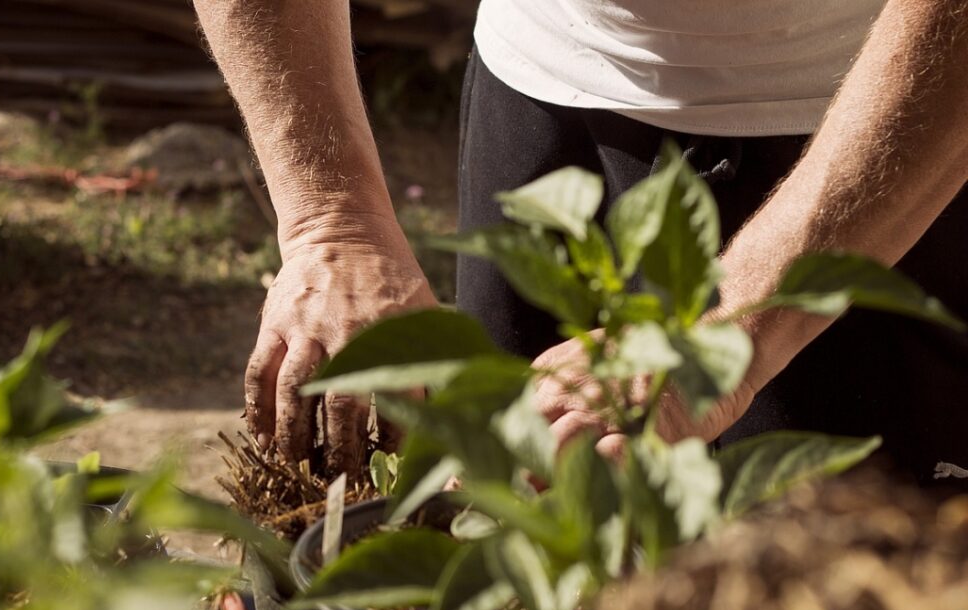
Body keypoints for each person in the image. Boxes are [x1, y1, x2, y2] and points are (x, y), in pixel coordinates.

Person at [194, 0, 968, 482]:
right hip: (540, 97)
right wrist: (332, 219)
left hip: (878, 141)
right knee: (520, 547)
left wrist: (724, 330)